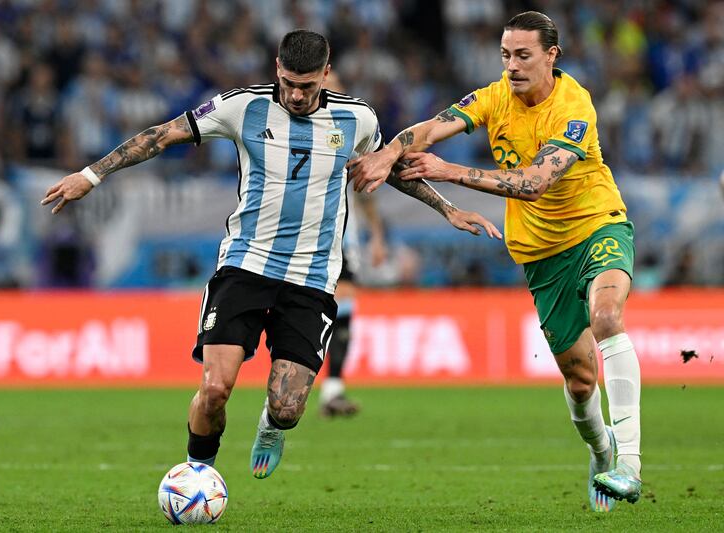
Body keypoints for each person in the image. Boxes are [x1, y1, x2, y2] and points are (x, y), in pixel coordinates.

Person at [41, 29, 501, 480]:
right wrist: (92, 175)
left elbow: (389, 169)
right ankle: (197, 471)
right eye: (288, 83)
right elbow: (162, 135)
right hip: (246, 264)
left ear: (325, 73)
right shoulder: (241, 106)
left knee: (287, 409)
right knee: (216, 388)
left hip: (312, 276)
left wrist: (448, 208)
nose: (297, 96)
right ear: (276, 69)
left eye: (307, 85)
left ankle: (271, 427)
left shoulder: (357, 119)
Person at [348, 11, 642, 511]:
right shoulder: (493, 97)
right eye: (506, 55)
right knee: (579, 379)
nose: (512, 66)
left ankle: (629, 465)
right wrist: (385, 153)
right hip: (541, 253)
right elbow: (431, 128)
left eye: (523, 55)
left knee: (607, 316)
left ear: (552, 55)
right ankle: (601, 449)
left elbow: (533, 183)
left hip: (597, 225)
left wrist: (451, 172)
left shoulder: (573, 107)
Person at [319, 72, 388, 417]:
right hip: (299, 240)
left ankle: (332, 389)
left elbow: (365, 191)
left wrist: (376, 236)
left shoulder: (349, 132)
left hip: (341, 240)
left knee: (342, 311)